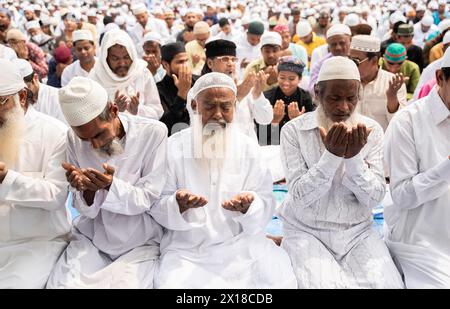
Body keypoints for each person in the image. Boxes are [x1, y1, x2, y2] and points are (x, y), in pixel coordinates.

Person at [151, 72, 297, 288]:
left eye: (226, 107)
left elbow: (266, 201)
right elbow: (156, 203)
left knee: (277, 280)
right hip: (187, 252)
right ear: (195, 105)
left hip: (241, 246)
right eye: (209, 106)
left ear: (234, 108)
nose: (218, 115)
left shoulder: (247, 148)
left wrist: (250, 205)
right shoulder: (174, 147)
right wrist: (177, 205)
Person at [279, 56, 404, 288]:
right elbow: (299, 196)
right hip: (307, 231)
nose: (344, 107)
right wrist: (332, 157)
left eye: (351, 98)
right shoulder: (293, 131)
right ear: (317, 93)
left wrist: (354, 158)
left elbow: (375, 197)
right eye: (335, 98)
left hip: (357, 232)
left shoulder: (371, 131)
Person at [47, 77, 167, 288]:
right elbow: (84, 209)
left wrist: (110, 186)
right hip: (92, 238)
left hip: (139, 241)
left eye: (100, 133)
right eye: (86, 139)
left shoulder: (153, 133)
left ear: (113, 110)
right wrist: (85, 190)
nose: (95, 144)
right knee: (63, 284)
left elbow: (148, 199)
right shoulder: (73, 138)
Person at [0, 59, 70, 288]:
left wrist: (7, 180)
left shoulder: (55, 134)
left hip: (38, 244)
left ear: (21, 97)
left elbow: (56, 196)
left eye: (1, 102)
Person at [384, 47, 450, 289]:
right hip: (423, 242)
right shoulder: (408, 122)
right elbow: (401, 196)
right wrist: (447, 168)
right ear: (441, 78)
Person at [203, 39, 273, 141]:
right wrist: (238, 97)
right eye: (225, 59)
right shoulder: (201, 89)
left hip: (247, 151)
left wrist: (257, 94)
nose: (230, 63)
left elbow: (265, 119)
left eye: (233, 59)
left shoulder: (244, 86)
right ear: (210, 63)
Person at [89, 29, 163, 120]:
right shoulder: (95, 78)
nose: (122, 63)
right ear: (106, 58)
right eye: (115, 59)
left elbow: (157, 111)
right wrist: (113, 111)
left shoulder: (142, 72)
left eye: (126, 57)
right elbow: (90, 117)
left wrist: (137, 110)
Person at [349, 35, 407, 131]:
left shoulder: (393, 82)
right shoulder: (345, 80)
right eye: (349, 60)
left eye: (356, 61)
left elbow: (400, 124)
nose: (351, 65)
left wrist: (392, 97)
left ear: (374, 60)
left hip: (381, 143)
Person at [260, 56, 314, 146]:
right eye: (282, 77)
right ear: (277, 77)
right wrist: (275, 121)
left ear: (300, 79)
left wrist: (297, 122)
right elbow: (262, 138)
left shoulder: (306, 98)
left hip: (297, 147)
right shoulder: (267, 97)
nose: (286, 83)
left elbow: (309, 139)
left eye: (291, 79)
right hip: (271, 147)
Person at [157, 42, 198, 135]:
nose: (185, 66)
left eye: (186, 61)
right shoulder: (158, 90)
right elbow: (165, 126)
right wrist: (182, 94)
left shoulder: (198, 81)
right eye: (180, 62)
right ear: (165, 65)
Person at [13, 58, 66, 124]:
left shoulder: (56, 97)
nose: (23, 95)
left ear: (35, 79)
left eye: (26, 89)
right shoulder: (14, 102)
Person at [308, 24, 352, 96]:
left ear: (350, 41)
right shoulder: (321, 65)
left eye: (342, 43)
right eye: (333, 44)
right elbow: (312, 88)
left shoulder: (360, 60)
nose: (338, 47)